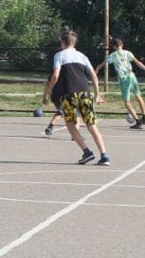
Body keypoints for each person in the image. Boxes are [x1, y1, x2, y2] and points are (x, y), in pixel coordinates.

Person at [43, 29, 110, 166]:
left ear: (62, 42)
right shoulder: (82, 56)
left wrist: (47, 93)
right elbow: (94, 76)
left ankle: (87, 152)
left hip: (68, 94)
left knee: (70, 124)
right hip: (85, 93)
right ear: (74, 42)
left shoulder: (59, 55)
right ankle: (104, 156)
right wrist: (97, 94)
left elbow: (55, 75)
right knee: (91, 124)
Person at [100, 37, 145, 129]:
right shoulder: (128, 53)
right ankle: (144, 117)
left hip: (124, 79)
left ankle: (138, 122)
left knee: (127, 102)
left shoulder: (113, 55)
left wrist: (96, 69)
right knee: (138, 96)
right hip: (132, 76)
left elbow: (103, 63)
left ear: (114, 47)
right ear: (122, 45)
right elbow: (138, 63)